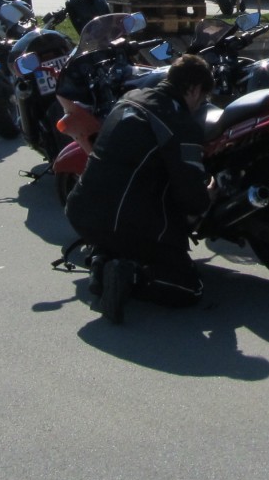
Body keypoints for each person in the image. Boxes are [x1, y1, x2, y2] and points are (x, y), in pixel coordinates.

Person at [63, 54, 216, 322]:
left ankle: (101, 261)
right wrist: (209, 193)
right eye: (202, 97)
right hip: (123, 223)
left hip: (80, 212)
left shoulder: (130, 98)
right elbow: (192, 198)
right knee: (191, 289)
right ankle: (132, 276)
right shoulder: (180, 123)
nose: (200, 104)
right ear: (193, 89)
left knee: (121, 209)